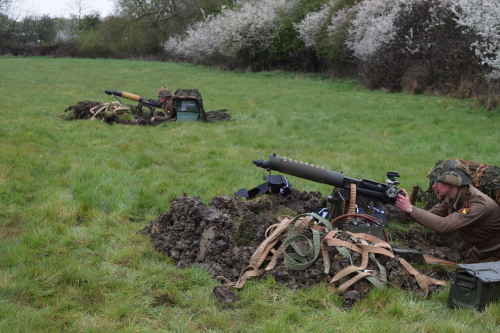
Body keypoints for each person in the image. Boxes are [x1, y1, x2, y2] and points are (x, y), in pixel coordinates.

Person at [395, 160, 500, 263]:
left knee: (468, 279)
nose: (434, 186)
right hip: (479, 252)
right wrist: (405, 207)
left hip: (495, 254)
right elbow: (429, 215)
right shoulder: (451, 197)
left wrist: (410, 208)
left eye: (438, 181)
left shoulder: (478, 204)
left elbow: (444, 225)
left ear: (451, 182)